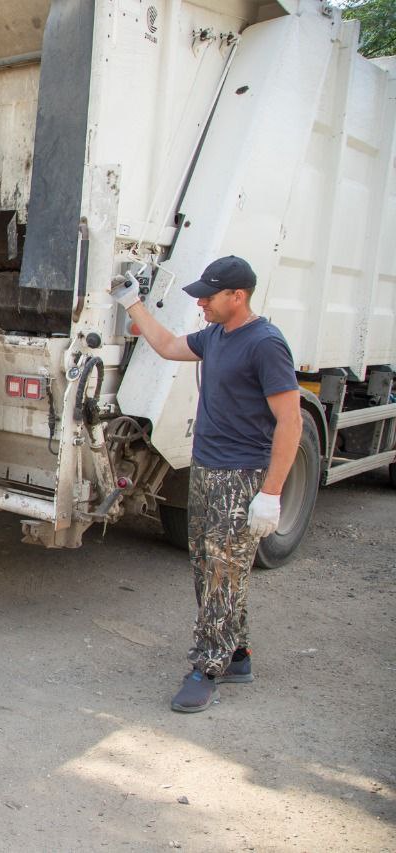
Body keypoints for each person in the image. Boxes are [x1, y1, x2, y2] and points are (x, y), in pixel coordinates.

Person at [111, 256, 300, 713]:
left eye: (209, 296)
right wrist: (132, 302)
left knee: (220, 572)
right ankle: (237, 654)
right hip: (208, 469)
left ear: (238, 296)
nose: (200, 302)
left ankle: (209, 666)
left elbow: (290, 422)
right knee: (211, 568)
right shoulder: (216, 336)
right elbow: (170, 346)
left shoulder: (265, 343)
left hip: (240, 476)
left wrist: (271, 493)